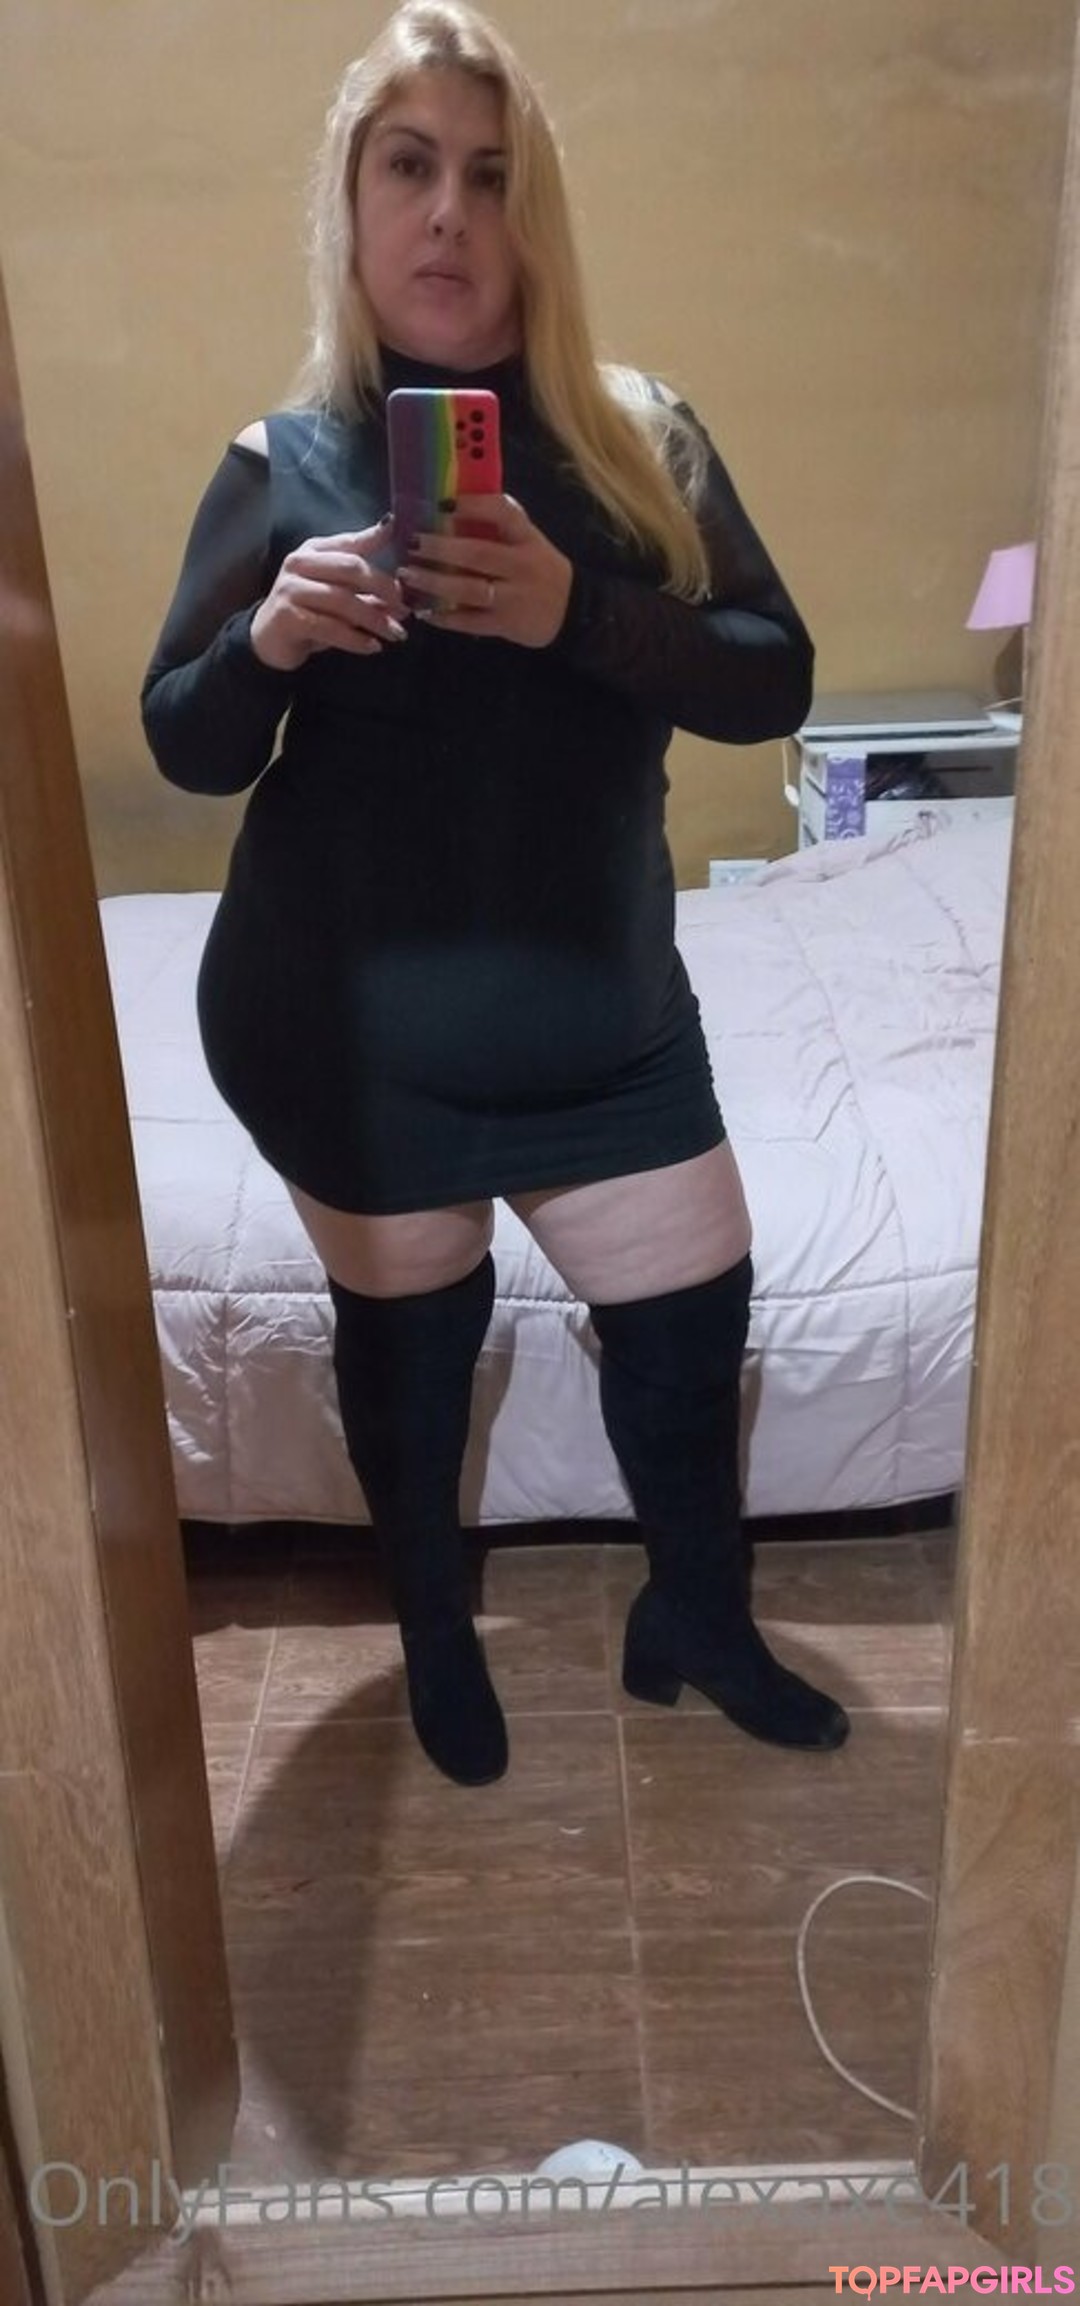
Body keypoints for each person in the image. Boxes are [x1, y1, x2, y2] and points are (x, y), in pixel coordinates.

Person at [142, 0, 849, 1787]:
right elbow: (185, 744)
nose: (449, 212)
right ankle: (437, 1631)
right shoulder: (282, 462)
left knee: (689, 1333)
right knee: (413, 1362)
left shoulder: (638, 436)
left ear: (537, 214)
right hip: (352, 1032)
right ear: (354, 202)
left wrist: (576, 611)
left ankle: (698, 1612)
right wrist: (268, 638)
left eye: (489, 172)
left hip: (606, 1016)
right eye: (409, 167)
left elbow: (772, 676)